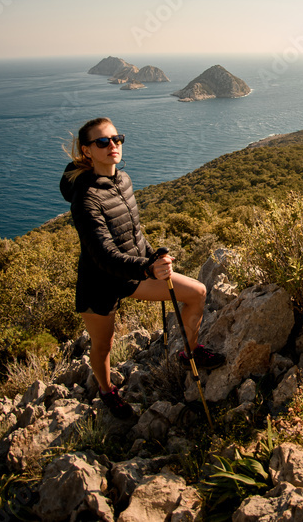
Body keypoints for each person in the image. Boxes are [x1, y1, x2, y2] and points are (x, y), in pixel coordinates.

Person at [59, 117, 225, 418]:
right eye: (102, 142)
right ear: (87, 151)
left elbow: (135, 232)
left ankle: (189, 351)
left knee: (197, 293)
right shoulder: (85, 198)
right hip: (100, 282)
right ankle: (108, 392)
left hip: (133, 273)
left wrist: (152, 256)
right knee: (103, 346)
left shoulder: (123, 180)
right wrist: (148, 269)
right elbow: (103, 255)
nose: (113, 145)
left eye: (117, 139)